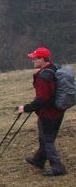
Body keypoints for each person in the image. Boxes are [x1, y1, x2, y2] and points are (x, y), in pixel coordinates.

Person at [18, 47, 67, 176]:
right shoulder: (54, 69)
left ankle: (57, 167)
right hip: (57, 111)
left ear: (42, 59)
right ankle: (38, 160)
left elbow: (42, 99)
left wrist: (26, 108)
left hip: (49, 113)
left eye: (35, 58)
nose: (33, 60)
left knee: (47, 140)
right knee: (44, 137)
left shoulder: (44, 76)